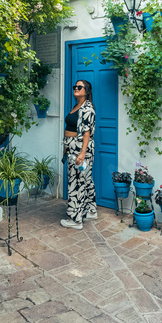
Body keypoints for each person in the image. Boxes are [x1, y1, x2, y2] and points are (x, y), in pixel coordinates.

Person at [60, 80, 97, 230]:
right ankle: (91, 210)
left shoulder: (87, 108)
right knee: (85, 179)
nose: (76, 88)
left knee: (76, 182)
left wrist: (82, 153)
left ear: (87, 91)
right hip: (72, 147)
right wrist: (66, 148)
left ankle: (76, 220)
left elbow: (87, 132)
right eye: (74, 86)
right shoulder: (77, 106)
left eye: (79, 87)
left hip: (80, 148)